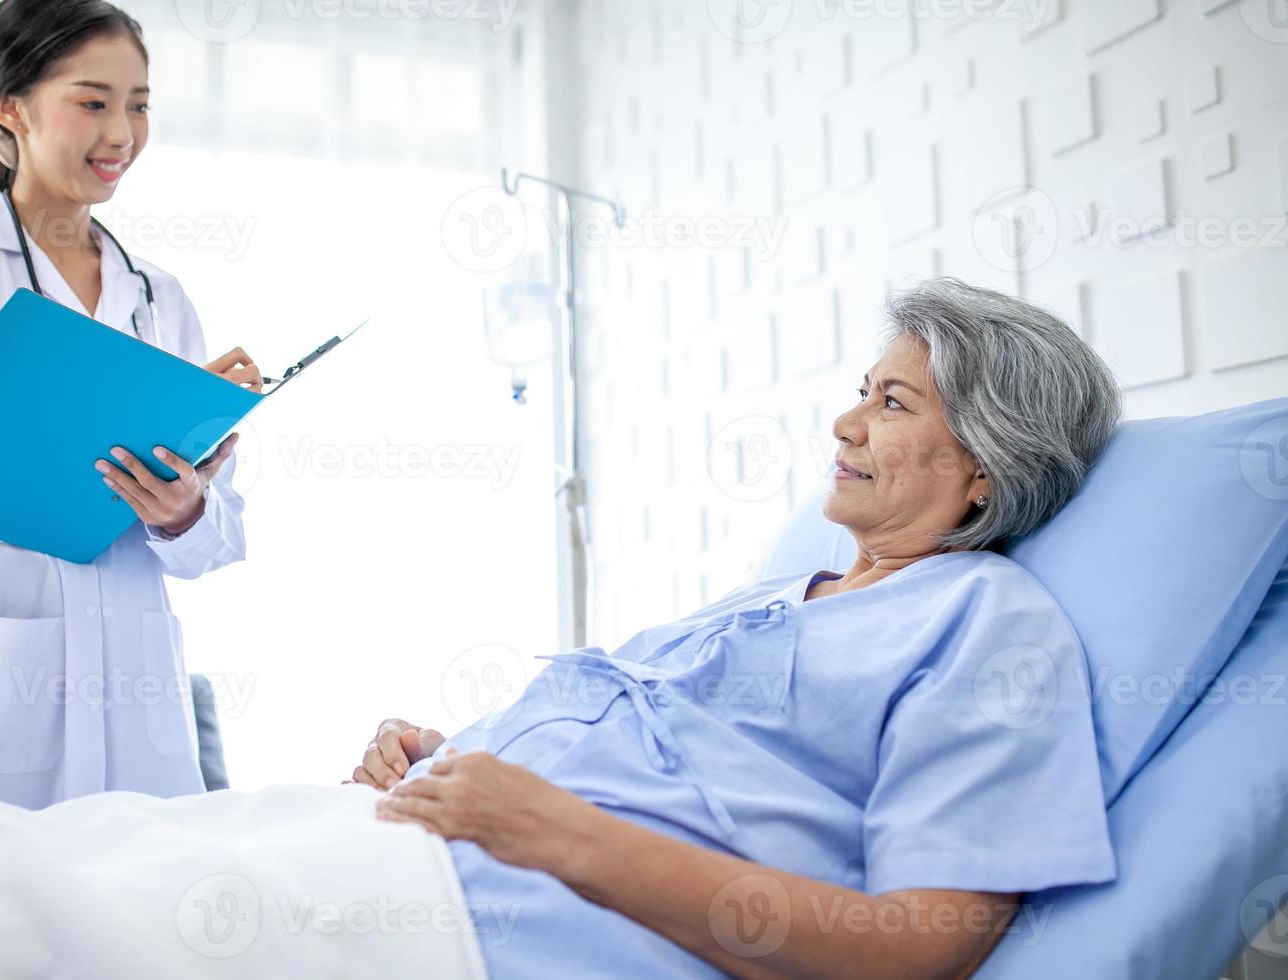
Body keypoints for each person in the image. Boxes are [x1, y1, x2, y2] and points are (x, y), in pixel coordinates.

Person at [359, 278, 1126, 978]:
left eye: (891, 403)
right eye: (864, 393)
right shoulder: (770, 597)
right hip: (392, 855)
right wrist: (441, 753)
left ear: (986, 465)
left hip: (475, 933)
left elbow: (920, 949)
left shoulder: (986, 619)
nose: (844, 424)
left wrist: (557, 831)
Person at [0, 0, 263, 811]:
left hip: (134, 680)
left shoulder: (158, 296)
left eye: (139, 104)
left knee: (136, 909)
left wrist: (184, 505)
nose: (122, 133)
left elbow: (213, 544)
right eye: (94, 101)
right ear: (12, 108)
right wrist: (127, 462)